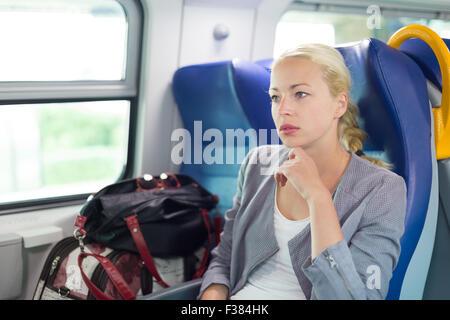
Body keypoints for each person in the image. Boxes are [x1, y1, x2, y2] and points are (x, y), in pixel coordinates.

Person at [198, 43, 407, 300]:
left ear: (339, 104)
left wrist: (317, 197)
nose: (283, 109)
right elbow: (225, 258)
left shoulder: (382, 190)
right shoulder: (257, 163)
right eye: (275, 97)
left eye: (300, 94)